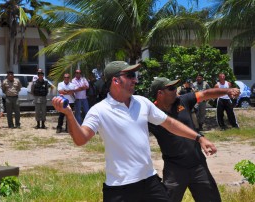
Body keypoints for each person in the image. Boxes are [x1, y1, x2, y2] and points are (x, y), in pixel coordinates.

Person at [52, 61, 217, 201]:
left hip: (150, 182)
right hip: (119, 189)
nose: (135, 80)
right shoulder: (99, 110)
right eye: (130, 76)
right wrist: (69, 115)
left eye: (134, 76)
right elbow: (81, 139)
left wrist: (199, 138)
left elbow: (170, 124)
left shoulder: (142, 102)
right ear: (116, 81)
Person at [148, 77, 240, 202]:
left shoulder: (182, 101)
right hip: (174, 170)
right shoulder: (150, 113)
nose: (176, 90)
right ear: (160, 93)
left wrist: (227, 91)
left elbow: (205, 94)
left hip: (198, 165)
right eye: (171, 88)